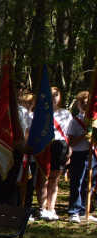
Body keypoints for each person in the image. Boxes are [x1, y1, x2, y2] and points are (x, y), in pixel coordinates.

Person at [38, 87, 72, 220]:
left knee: (54, 180)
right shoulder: (41, 113)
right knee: (44, 179)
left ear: (60, 97)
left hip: (61, 145)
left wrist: (70, 150)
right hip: (46, 146)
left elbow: (69, 134)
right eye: (51, 95)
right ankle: (42, 208)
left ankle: (51, 208)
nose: (54, 98)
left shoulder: (66, 113)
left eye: (56, 95)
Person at [66, 91, 95, 222]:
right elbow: (70, 142)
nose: (85, 105)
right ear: (78, 105)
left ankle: (84, 210)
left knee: (89, 183)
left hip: (92, 154)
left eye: (87, 102)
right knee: (77, 182)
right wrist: (84, 135)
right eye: (82, 103)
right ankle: (74, 211)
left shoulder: (94, 121)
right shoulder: (74, 121)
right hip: (79, 154)